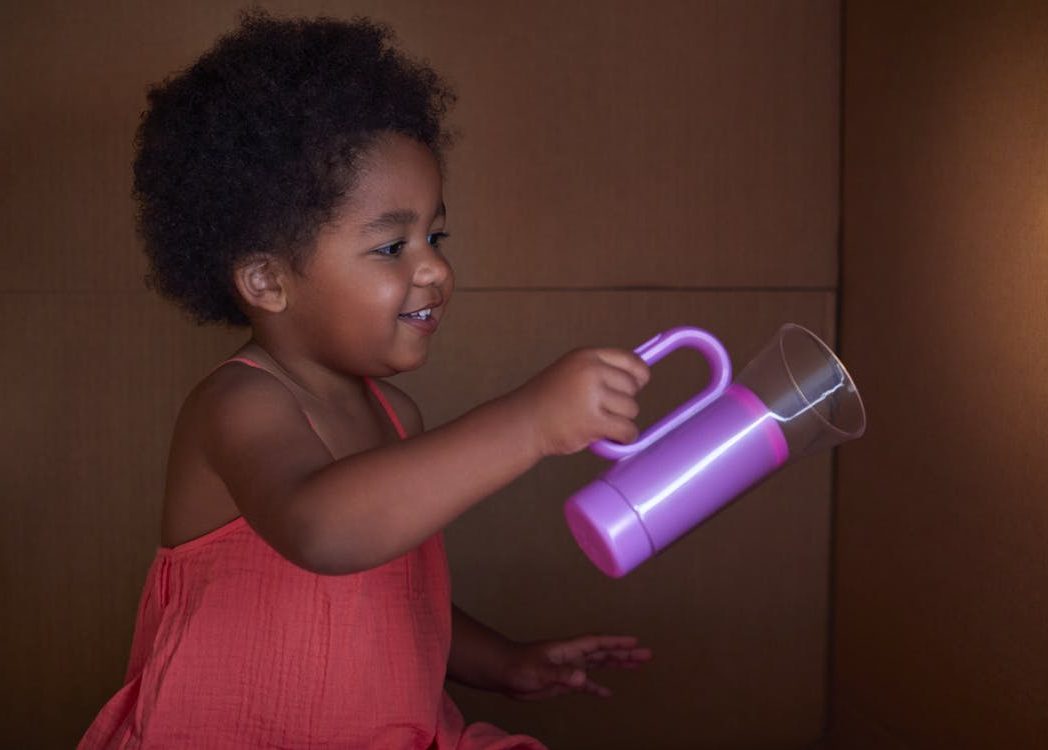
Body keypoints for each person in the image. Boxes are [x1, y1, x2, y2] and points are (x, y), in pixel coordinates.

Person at [80, 11, 652, 749]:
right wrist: (528, 423)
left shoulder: (395, 415)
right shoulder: (237, 406)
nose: (435, 269)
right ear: (266, 280)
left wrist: (503, 662)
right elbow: (322, 531)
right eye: (391, 245)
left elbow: (394, 604)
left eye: (435, 236)